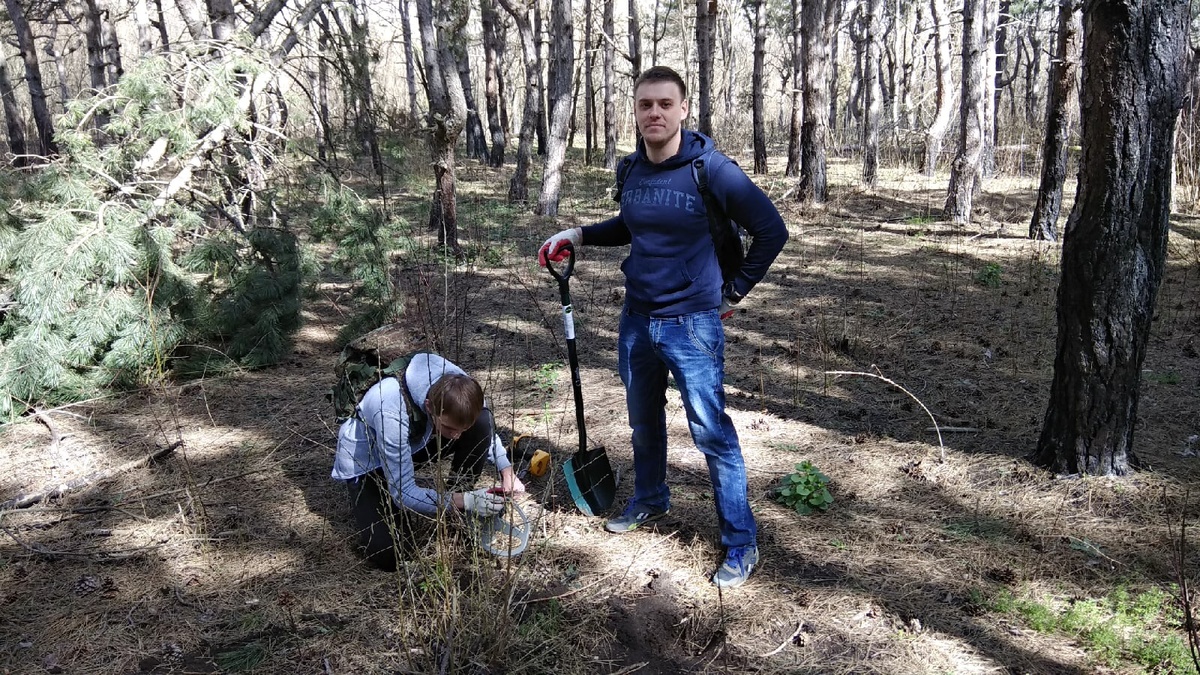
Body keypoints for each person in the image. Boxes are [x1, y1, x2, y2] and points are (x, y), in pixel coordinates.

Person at [537, 65, 788, 589]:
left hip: (693, 326)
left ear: (682, 110)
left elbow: (771, 230)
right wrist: (577, 234)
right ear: (635, 109)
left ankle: (740, 543)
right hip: (637, 321)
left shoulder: (712, 170)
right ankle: (650, 499)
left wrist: (733, 292)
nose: (654, 113)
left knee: (712, 435)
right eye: (645, 104)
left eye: (664, 104)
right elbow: (633, 224)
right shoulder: (632, 171)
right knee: (643, 424)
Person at [331, 352, 525, 570]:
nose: (457, 436)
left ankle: (459, 509)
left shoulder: (463, 388)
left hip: (415, 441)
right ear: (429, 406)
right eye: (450, 428)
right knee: (389, 555)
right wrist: (467, 501)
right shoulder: (389, 407)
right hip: (368, 461)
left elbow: (484, 429)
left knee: (482, 422)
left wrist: (507, 471)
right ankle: (460, 501)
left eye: (463, 429)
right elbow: (403, 495)